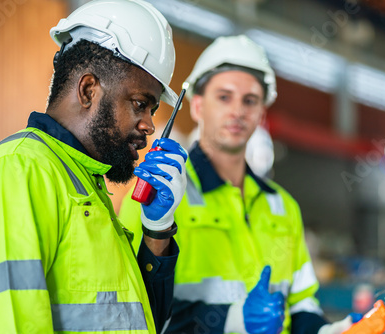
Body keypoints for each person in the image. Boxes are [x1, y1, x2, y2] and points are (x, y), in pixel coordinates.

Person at [0, 1, 187, 333]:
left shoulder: (84, 185)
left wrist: (158, 230)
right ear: (88, 90)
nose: (150, 126)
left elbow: (136, 320)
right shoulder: (17, 173)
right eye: (141, 104)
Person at [120, 35, 357, 334]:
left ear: (261, 113)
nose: (237, 111)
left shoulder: (283, 206)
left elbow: (301, 305)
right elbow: (131, 311)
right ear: (197, 106)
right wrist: (232, 319)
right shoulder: (156, 198)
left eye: (250, 101)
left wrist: (326, 331)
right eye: (224, 97)